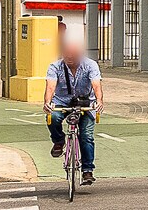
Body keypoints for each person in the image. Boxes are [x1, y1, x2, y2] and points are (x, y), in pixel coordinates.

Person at [43, 30, 103, 186]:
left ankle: (87, 171)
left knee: (86, 136)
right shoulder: (55, 67)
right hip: (62, 101)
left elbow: (96, 84)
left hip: (85, 102)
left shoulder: (90, 65)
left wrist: (99, 101)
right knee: (53, 118)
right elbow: (50, 86)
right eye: (67, 56)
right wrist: (47, 102)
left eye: (73, 56)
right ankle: (58, 141)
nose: (70, 59)